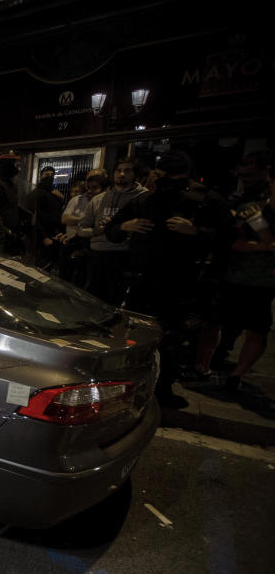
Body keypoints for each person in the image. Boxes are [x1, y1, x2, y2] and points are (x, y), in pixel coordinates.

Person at [105, 150, 229, 409]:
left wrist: (195, 231)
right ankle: (130, 386)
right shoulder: (145, 201)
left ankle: (162, 389)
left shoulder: (204, 200)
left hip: (181, 280)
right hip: (142, 279)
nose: (162, 182)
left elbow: (226, 238)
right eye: (160, 176)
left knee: (171, 339)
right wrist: (126, 227)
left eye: (168, 177)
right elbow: (112, 230)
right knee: (136, 336)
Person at [191, 152, 274, 392]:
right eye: (240, 174)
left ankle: (236, 375)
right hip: (230, 273)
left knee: (256, 328)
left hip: (260, 278)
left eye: (249, 174)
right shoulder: (242, 200)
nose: (243, 178)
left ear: (265, 172)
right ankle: (203, 367)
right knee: (214, 321)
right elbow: (231, 239)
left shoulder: (261, 203)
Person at [79, 159, 147, 305]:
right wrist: (97, 231)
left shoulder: (142, 198)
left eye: (127, 170)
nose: (121, 174)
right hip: (98, 254)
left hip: (124, 255)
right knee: (93, 299)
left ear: (135, 174)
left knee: (116, 300)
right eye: (118, 170)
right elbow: (81, 229)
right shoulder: (98, 200)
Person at [58, 169, 106, 285]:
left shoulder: (106, 202)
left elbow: (98, 228)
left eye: (94, 187)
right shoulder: (77, 200)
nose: (89, 191)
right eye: (88, 185)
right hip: (71, 243)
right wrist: (85, 221)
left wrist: (79, 222)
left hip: (92, 248)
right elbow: (65, 219)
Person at [26, 165, 65, 269]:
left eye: (52, 175)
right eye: (47, 175)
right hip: (40, 238)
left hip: (53, 235)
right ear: (40, 176)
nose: (50, 177)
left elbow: (56, 214)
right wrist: (44, 237)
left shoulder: (54, 194)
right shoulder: (37, 194)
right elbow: (35, 217)